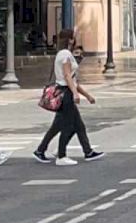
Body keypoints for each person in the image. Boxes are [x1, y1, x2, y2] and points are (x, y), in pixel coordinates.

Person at [34, 28, 105, 166]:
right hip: (65, 93)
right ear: (70, 39)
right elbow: (67, 76)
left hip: (66, 91)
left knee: (73, 125)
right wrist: (75, 93)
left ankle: (87, 151)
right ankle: (61, 155)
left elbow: (72, 79)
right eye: (73, 37)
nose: (75, 40)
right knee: (69, 126)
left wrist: (87, 95)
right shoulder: (65, 54)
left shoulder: (63, 53)